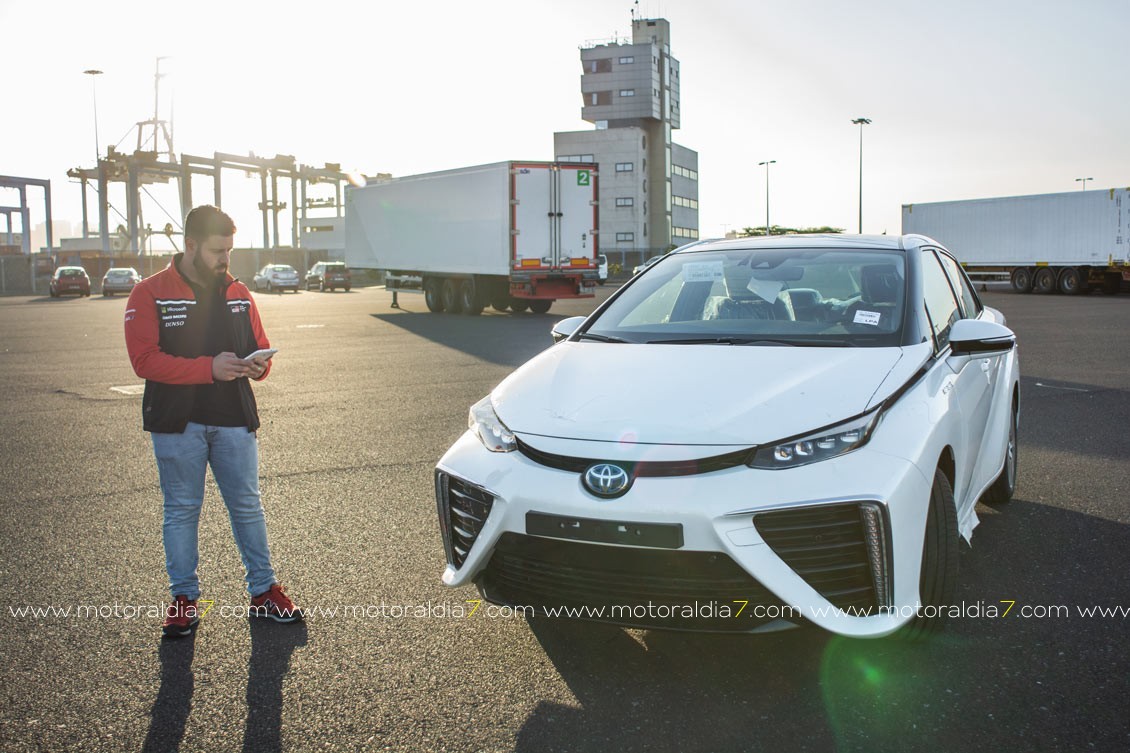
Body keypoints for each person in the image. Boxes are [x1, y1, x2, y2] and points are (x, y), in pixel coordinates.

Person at [124, 205, 302, 638]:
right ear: (189, 245)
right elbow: (143, 361)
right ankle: (184, 599)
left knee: (247, 506)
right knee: (182, 511)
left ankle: (263, 592)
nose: (226, 259)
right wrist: (208, 368)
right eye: (218, 250)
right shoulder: (149, 293)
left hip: (234, 419)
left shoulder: (239, 291)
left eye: (230, 250)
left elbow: (258, 345)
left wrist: (260, 367)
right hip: (176, 423)